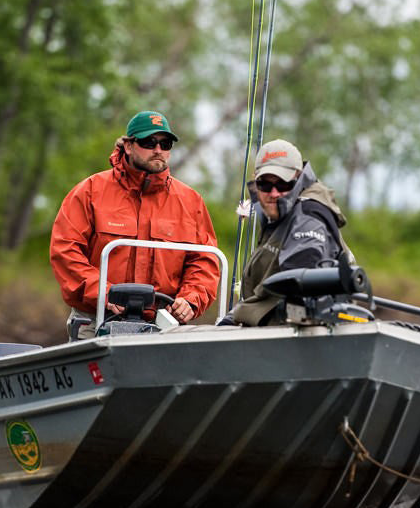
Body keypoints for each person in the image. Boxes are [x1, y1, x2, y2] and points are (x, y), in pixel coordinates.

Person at [49, 110, 220, 338]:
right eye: (149, 142)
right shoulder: (89, 191)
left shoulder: (191, 202)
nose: (158, 150)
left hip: (163, 327)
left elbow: (204, 262)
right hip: (96, 320)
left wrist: (190, 300)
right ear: (128, 146)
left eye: (165, 143)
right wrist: (104, 293)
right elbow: (65, 252)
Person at [225, 138, 354, 326]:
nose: (274, 193)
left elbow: (298, 275)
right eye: (265, 185)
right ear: (255, 180)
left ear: (299, 178)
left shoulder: (308, 217)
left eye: (283, 184)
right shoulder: (278, 212)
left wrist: (239, 314)